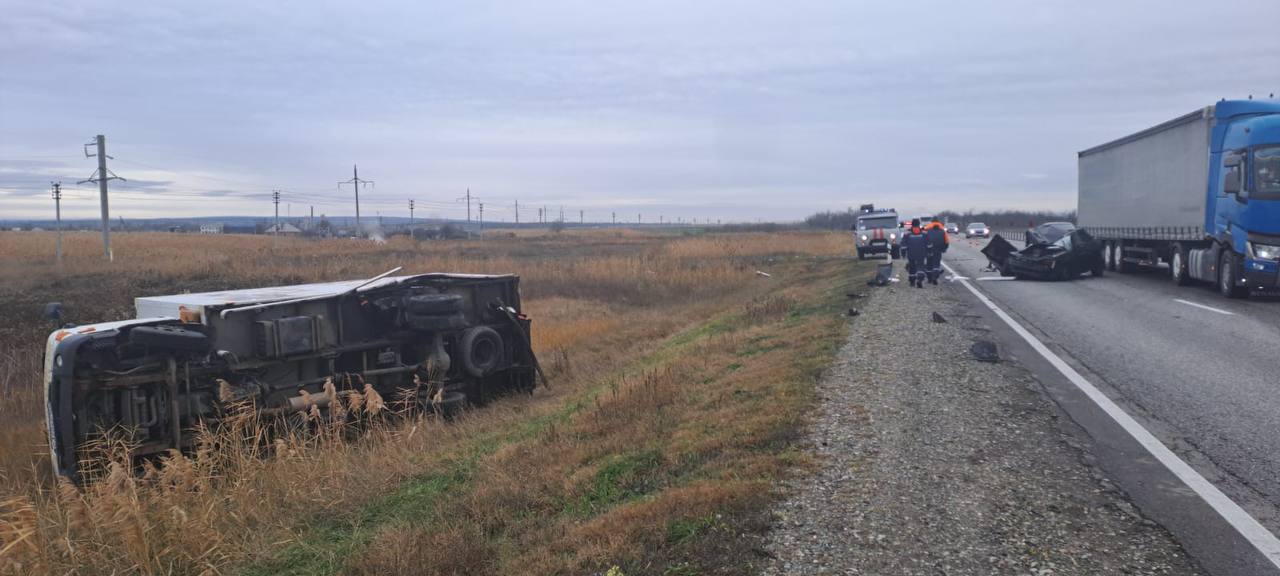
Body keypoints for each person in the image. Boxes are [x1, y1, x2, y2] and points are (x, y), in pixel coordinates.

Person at [901, 218, 928, 288]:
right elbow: (929, 244)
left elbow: (903, 245)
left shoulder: (907, 234)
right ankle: (920, 280)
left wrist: (903, 253)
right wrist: (929, 252)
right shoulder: (924, 234)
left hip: (911, 254)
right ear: (919, 224)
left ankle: (912, 282)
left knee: (912, 267)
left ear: (912, 224)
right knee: (921, 267)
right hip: (921, 253)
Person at [923, 217, 949, 284]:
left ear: (932, 222)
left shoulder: (927, 229)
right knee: (936, 264)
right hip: (938, 250)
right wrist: (944, 249)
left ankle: (929, 278)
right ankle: (935, 277)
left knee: (929, 264)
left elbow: (924, 240)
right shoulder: (942, 230)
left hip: (929, 250)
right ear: (938, 222)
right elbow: (946, 241)